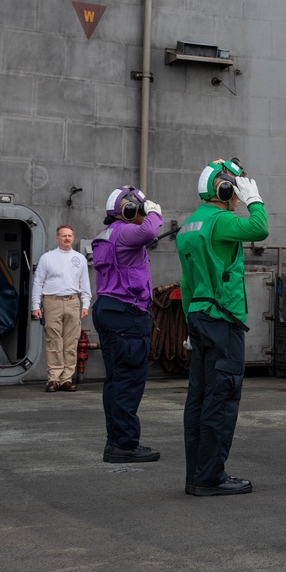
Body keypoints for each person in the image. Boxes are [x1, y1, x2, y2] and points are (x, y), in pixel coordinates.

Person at [177, 158, 268, 497]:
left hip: (199, 316)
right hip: (223, 319)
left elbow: (187, 283)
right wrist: (254, 201)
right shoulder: (222, 220)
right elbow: (259, 229)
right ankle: (211, 476)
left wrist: (189, 323)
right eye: (234, 187)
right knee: (223, 396)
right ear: (225, 189)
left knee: (198, 398)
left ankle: (196, 473)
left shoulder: (190, 225)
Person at [92, 185, 163, 464]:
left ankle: (115, 441)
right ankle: (124, 444)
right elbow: (149, 231)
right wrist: (154, 212)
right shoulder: (125, 232)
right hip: (127, 314)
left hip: (107, 309)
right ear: (130, 209)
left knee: (115, 381)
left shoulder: (106, 235)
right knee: (129, 381)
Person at [31, 225, 92, 393]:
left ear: (73, 237)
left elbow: (84, 283)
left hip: (73, 301)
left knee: (71, 342)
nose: (67, 238)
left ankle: (66, 379)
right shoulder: (47, 258)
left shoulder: (79, 258)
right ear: (57, 238)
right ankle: (53, 379)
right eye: (63, 236)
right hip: (52, 301)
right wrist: (36, 305)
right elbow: (38, 282)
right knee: (53, 341)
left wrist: (85, 304)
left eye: (70, 235)